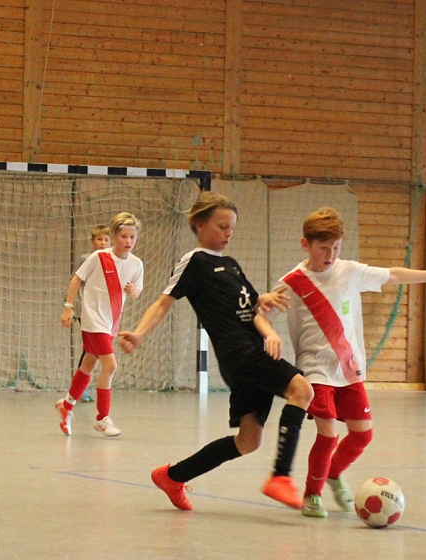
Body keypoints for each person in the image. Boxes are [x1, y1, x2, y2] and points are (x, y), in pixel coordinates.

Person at [118, 191, 313, 511]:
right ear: (200, 224)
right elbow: (164, 302)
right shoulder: (195, 261)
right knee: (302, 390)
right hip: (240, 353)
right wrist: (139, 334)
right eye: (222, 226)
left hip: (253, 349)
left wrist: (265, 306)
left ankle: (172, 476)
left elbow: (252, 307)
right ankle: (281, 476)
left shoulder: (231, 265)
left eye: (232, 228)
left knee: (248, 441)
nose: (228, 233)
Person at [269, 207, 426, 517]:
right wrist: (267, 325)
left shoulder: (349, 271)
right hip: (316, 370)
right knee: (328, 434)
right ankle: (312, 495)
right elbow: (264, 312)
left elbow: (393, 274)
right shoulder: (293, 281)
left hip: (348, 368)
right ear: (305, 245)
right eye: (323, 248)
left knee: (362, 434)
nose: (330, 254)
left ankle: (333, 473)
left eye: (336, 247)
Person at [57, 213, 143, 437]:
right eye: (123, 236)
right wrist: (68, 307)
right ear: (114, 236)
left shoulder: (136, 264)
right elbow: (76, 279)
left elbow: (137, 292)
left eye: (132, 237)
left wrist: (134, 290)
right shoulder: (99, 257)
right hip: (93, 319)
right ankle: (102, 418)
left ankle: (66, 405)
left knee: (89, 364)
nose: (128, 241)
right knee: (110, 365)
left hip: (110, 321)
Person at [76, 225, 111, 403]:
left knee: (92, 351)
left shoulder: (112, 260)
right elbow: (76, 281)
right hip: (87, 311)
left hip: (103, 313)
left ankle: (78, 389)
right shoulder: (87, 259)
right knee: (91, 350)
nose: (103, 243)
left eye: (106, 240)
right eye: (99, 239)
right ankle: (81, 389)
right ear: (92, 241)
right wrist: (70, 306)